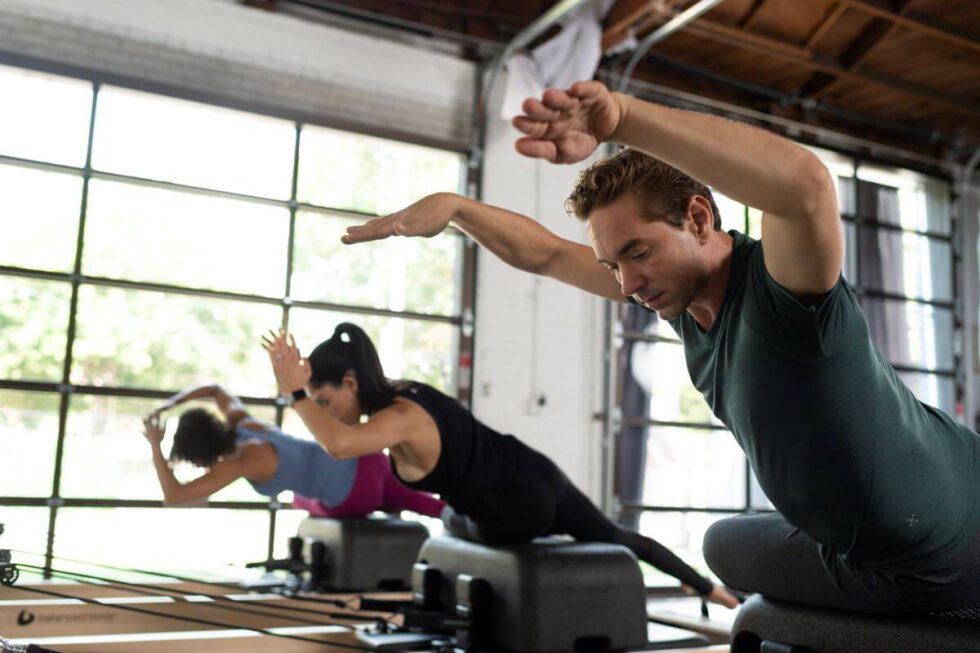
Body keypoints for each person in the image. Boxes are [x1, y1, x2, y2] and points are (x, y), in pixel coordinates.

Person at [339, 80, 980, 615]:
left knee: (729, 554)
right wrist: (455, 208)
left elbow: (805, 184)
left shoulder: (786, 293)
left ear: (699, 218)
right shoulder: (681, 298)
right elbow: (544, 252)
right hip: (951, 489)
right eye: (613, 266)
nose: (627, 284)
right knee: (728, 543)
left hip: (926, 558)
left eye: (637, 253)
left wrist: (622, 117)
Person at [263, 323, 739, 608]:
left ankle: (700, 586)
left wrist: (296, 393)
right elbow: (343, 437)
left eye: (325, 400)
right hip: (539, 474)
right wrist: (307, 391)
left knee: (447, 521)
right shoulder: (407, 393)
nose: (323, 412)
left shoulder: (397, 418)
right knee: (616, 535)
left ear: (350, 382)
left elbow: (340, 445)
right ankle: (710, 589)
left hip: (510, 517)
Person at [141, 384, 445, 519]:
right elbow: (215, 388)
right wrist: (171, 404)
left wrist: (155, 444)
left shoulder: (238, 463)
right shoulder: (243, 422)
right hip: (367, 457)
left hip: (352, 498)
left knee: (300, 501)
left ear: (198, 453)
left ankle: (388, 503)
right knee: (426, 501)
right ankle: (457, 510)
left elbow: (175, 497)